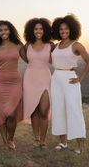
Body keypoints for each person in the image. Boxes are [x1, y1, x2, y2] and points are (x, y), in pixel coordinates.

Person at [51, 14, 89, 154]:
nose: (63, 31)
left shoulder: (76, 45)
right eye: (61, 29)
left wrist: (80, 78)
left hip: (70, 78)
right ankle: (63, 142)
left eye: (66, 29)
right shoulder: (56, 46)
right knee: (58, 110)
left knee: (74, 111)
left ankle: (80, 145)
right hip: (56, 77)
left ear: (72, 29)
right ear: (58, 30)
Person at [0, 20, 26, 150]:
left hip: (14, 83)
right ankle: (5, 140)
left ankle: (11, 138)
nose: (3, 32)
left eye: (5, 29)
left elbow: (29, 59)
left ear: (10, 30)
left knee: (11, 114)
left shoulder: (18, 45)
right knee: (0, 113)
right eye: (0, 30)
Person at [23, 18, 54, 149]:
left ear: (45, 30)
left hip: (45, 78)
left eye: (41, 28)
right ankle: (36, 139)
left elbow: (56, 61)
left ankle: (43, 140)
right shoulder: (27, 45)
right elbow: (27, 60)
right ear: (31, 30)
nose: (38, 31)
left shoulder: (51, 45)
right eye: (36, 29)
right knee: (34, 110)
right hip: (30, 78)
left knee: (43, 111)